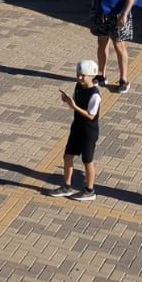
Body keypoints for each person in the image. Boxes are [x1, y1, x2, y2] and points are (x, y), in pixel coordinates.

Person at [44, 60, 103, 202]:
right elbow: (75, 101)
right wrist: (67, 100)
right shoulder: (78, 86)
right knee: (67, 156)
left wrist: (73, 106)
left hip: (89, 132)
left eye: (83, 75)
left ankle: (90, 190)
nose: (79, 77)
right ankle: (67, 186)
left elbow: (90, 115)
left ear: (91, 76)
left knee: (87, 161)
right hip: (76, 127)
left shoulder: (95, 95)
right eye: (78, 74)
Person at [90, 0, 137, 92]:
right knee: (102, 44)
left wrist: (125, 13)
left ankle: (124, 79)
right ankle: (101, 75)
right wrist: (93, 3)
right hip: (101, 12)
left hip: (117, 15)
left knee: (119, 46)